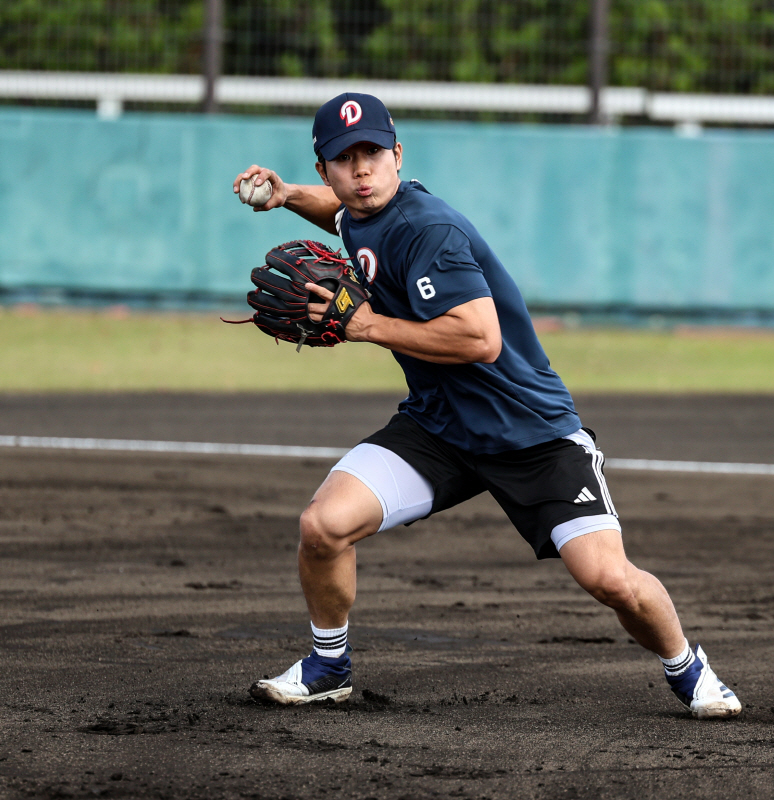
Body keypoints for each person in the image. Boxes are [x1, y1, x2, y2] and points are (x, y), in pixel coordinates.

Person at [231, 93, 741, 719]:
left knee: (610, 580)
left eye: (371, 154)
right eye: (344, 159)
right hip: (440, 427)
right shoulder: (360, 211)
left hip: (532, 436)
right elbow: (341, 213)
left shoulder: (429, 231)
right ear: (324, 169)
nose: (360, 170)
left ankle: (688, 669)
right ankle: (327, 666)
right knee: (323, 527)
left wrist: (364, 326)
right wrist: (285, 196)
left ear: (397, 155)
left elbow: (478, 338)